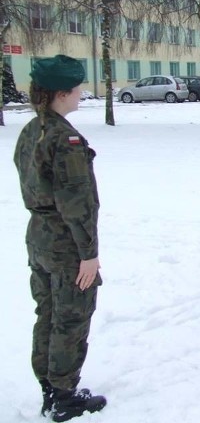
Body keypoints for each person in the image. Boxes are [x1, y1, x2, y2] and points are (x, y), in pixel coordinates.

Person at [13, 55, 107, 421]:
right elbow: (76, 203)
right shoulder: (64, 138)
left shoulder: (32, 129)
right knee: (70, 316)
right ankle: (64, 396)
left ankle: (51, 387)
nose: (81, 93)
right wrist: (89, 254)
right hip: (66, 242)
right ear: (62, 93)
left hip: (39, 237)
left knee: (48, 313)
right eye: (78, 88)